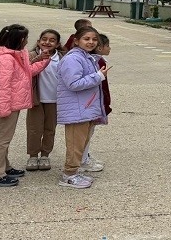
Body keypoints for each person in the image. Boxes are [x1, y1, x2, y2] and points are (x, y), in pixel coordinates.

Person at [0, 24, 50, 187]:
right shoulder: (6, 59)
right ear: (19, 40)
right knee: (3, 139)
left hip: (13, 103)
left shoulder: (13, 55)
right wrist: (3, 109)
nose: (27, 41)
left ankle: (4, 166)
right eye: (25, 38)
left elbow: (26, 73)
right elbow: (2, 87)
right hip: (8, 106)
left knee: (5, 137)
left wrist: (43, 62)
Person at [56, 26, 110, 189]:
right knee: (75, 144)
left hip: (84, 108)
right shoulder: (73, 59)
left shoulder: (86, 57)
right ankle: (69, 175)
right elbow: (73, 84)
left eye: (94, 39)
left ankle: (74, 171)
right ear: (76, 40)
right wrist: (98, 76)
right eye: (86, 39)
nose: (91, 42)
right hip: (76, 110)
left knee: (80, 144)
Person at [26, 29, 64, 171]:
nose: (47, 42)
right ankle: (33, 155)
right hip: (36, 99)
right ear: (38, 41)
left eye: (52, 40)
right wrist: (39, 58)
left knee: (50, 129)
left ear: (58, 44)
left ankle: (45, 155)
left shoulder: (61, 58)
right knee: (34, 129)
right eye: (44, 39)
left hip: (54, 100)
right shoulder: (31, 55)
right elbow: (25, 71)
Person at [79, 33, 112, 174]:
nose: (110, 48)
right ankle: (82, 160)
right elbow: (100, 85)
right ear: (99, 48)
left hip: (94, 101)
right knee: (85, 133)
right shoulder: (97, 62)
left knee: (88, 132)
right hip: (92, 102)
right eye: (107, 45)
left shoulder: (96, 60)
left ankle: (84, 157)